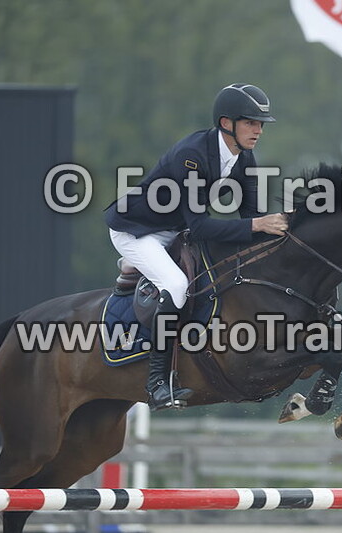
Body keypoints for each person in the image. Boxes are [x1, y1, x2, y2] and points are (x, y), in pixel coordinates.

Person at [104, 83, 288, 411]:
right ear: (226, 123)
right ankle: (157, 385)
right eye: (250, 123)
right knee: (176, 285)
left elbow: (252, 217)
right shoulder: (192, 156)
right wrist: (259, 225)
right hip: (136, 230)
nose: (258, 131)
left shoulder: (244, 158)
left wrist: (288, 231)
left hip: (175, 231)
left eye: (260, 124)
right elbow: (203, 226)